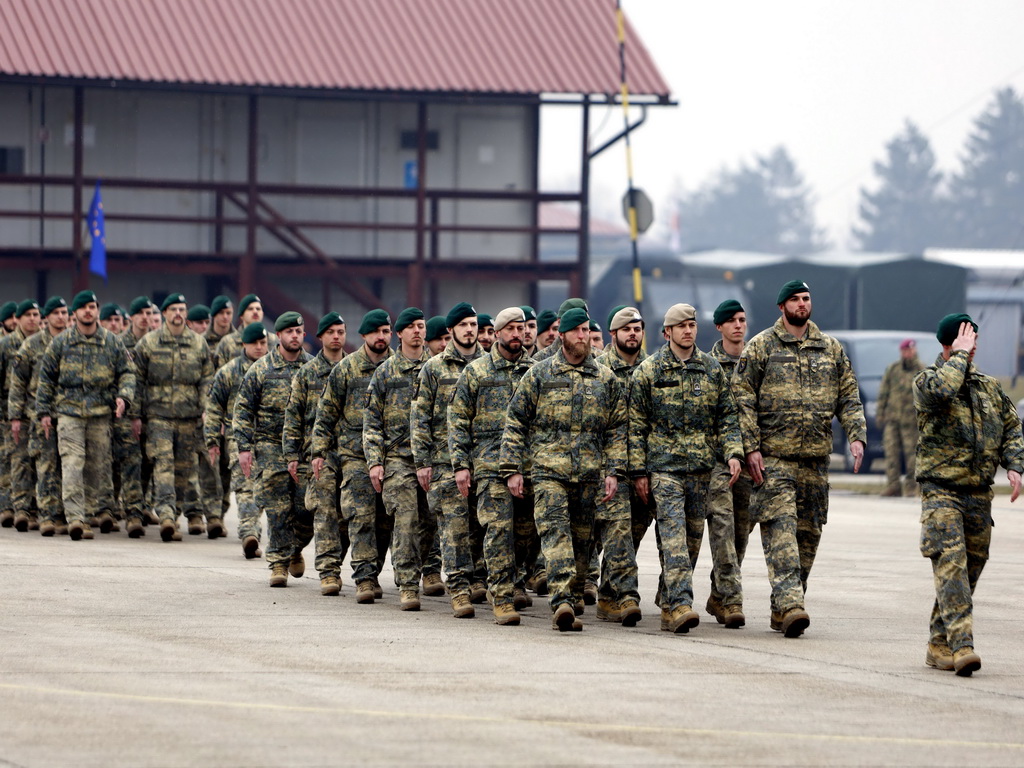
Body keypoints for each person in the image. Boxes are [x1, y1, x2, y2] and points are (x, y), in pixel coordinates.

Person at [734, 280, 866, 637]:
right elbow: (742, 398)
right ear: (782, 307)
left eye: (806, 298)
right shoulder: (761, 346)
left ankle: (784, 607)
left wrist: (856, 436)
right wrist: (751, 447)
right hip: (775, 460)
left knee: (808, 536)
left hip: (815, 462)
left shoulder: (830, 348)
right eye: (795, 299)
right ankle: (792, 604)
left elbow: (849, 395)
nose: (802, 304)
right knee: (782, 533)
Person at [500, 307, 627, 632]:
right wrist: (512, 468)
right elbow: (516, 422)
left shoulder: (604, 378)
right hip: (548, 474)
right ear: (563, 336)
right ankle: (561, 602)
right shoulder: (540, 375)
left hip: (589, 476)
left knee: (582, 544)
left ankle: (571, 598)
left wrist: (613, 471)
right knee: (556, 536)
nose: (584, 337)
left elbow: (616, 428)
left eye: (587, 330)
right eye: (578, 331)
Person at [914, 314, 1024, 676]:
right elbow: (943, 390)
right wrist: (958, 358)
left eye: (973, 340)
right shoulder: (927, 381)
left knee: (969, 569)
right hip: (941, 492)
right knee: (952, 567)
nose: (973, 345)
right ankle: (962, 646)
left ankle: (938, 643)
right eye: (965, 339)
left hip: (979, 494)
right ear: (948, 344)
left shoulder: (988, 387)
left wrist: (1014, 464)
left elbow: (1011, 426)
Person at [630, 303, 743, 634]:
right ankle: (680, 605)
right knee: (674, 539)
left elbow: (726, 415)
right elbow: (636, 425)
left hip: (701, 471)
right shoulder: (649, 372)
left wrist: (733, 452)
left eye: (692, 324)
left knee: (691, 543)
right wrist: (638, 472)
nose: (688, 330)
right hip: (664, 471)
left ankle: (668, 602)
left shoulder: (710, 370)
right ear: (667, 332)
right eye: (681, 326)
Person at [449, 307, 539, 625]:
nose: (517, 334)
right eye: (509, 328)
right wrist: (461, 464)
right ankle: (501, 596)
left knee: (528, 534)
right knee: (498, 529)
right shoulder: (476, 372)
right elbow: (458, 420)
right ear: (497, 333)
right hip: (490, 464)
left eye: (521, 328)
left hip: (531, 465)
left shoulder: (537, 370)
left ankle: (513, 581)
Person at [35, 291, 134, 541]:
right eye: (83, 308)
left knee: (96, 467)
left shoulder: (112, 342)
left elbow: (127, 372)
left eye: (92, 307)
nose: (88, 311)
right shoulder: (61, 343)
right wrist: (44, 411)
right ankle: (75, 518)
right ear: (75, 313)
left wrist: (124, 396)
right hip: (69, 413)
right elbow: (46, 378)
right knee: (72, 464)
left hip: (100, 414)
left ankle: (87, 514)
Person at [312, 309, 395, 603]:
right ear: (364, 336)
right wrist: (319, 452)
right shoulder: (346, 369)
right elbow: (325, 414)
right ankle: (364, 578)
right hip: (354, 455)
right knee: (360, 516)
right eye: (377, 332)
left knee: (386, 521)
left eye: (386, 331)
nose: (382, 337)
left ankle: (373, 571)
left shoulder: (397, 368)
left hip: (392, 454)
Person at [363, 307, 442, 611]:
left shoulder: (435, 368)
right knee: (406, 518)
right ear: (399, 334)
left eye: (421, 326)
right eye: (410, 327)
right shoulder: (385, 372)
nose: (417, 331)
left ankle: (429, 571)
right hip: (398, 458)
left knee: (430, 520)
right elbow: (371, 421)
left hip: (433, 457)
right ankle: (408, 584)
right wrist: (375, 461)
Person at [411, 302, 485, 618]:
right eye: (463, 325)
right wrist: (422, 461)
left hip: (484, 461)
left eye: (473, 324)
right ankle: (458, 589)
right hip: (443, 463)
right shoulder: (434, 368)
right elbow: (420, 417)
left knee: (481, 528)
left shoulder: (489, 365)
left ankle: (480, 580)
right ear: (451, 330)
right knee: (453, 527)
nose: (470, 329)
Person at [234, 312, 313, 586]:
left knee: (307, 507)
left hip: (305, 447)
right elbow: (243, 409)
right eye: (289, 331)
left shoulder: (313, 368)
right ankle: (278, 563)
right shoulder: (261, 369)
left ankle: (294, 549)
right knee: (278, 508)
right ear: (277, 336)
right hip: (270, 445)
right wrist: (244, 447)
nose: (295, 335)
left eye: (299, 331)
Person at [132, 293, 215, 541]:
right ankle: (166, 515)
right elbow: (136, 380)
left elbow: (206, 379)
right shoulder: (148, 343)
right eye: (173, 309)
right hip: (159, 417)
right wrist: (136, 414)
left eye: (182, 309)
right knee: (164, 465)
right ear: (165, 313)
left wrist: (205, 408)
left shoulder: (199, 344)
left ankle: (174, 515)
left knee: (182, 471)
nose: (178, 314)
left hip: (189, 418)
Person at [590, 306, 650, 623]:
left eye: (637, 328)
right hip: (607, 469)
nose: (633, 334)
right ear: (613, 335)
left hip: (644, 467)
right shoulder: (599, 369)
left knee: (631, 535)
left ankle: (608, 595)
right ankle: (626, 596)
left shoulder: (652, 369)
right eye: (626, 329)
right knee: (617, 533)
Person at [283, 312, 348, 595]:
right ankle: (319, 566)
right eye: (331, 331)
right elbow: (293, 416)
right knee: (317, 512)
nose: (336, 336)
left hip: (350, 453)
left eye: (341, 331)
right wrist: (291, 455)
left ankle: (331, 565)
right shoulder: (307, 373)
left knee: (347, 516)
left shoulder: (354, 368)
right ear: (320, 337)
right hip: (316, 455)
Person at [705, 299, 755, 627]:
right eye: (731, 321)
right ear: (719, 327)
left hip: (750, 458)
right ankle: (732, 598)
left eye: (742, 319)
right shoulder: (708, 366)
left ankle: (717, 594)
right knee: (722, 525)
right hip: (716, 461)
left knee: (740, 533)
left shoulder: (757, 360)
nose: (738, 325)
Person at [205, 321, 270, 557]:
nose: (260, 347)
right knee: (245, 487)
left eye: (263, 343)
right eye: (255, 343)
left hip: (271, 439)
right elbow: (213, 408)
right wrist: (212, 440)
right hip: (238, 438)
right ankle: (250, 533)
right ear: (244, 344)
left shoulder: (274, 369)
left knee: (268, 489)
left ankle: (258, 529)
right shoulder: (229, 371)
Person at [8, 296, 69, 536]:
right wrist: (15, 416)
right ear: (48, 317)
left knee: (68, 466)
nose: (61, 317)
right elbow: (18, 382)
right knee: (44, 465)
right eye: (56, 313)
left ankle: (64, 514)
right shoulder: (31, 345)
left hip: (69, 413)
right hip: (38, 414)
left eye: (64, 312)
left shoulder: (74, 342)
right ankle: (46, 515)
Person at [3, 300, 42, 531]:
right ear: (17, 319)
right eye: (27, 314)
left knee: (39, 462)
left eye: (36, 314)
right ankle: (18, 508)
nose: (32, 319)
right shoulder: (7, 344)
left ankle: (35, 508)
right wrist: (9, 414)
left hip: (39, 411)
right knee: (17, 462)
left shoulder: (45, 343)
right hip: (12, 412)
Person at [878, 339, 924, 497]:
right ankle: (893, 485)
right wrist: (880, 413)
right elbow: (884, 392)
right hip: (893, 418)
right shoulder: (893, 369)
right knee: (891, 453)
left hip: (911, 421)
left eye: (910, 350)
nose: (907, 353)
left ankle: (911, 487)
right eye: (905, 350)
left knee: (912, 455)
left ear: (915, 351)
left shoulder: (922, 370)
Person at [214, 294, 277, 369]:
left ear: (262, 313)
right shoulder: (227, 342)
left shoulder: (274, 340)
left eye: (258, 309)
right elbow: (219, 375)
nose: (255, 312)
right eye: (250, 309)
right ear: (241, 315)